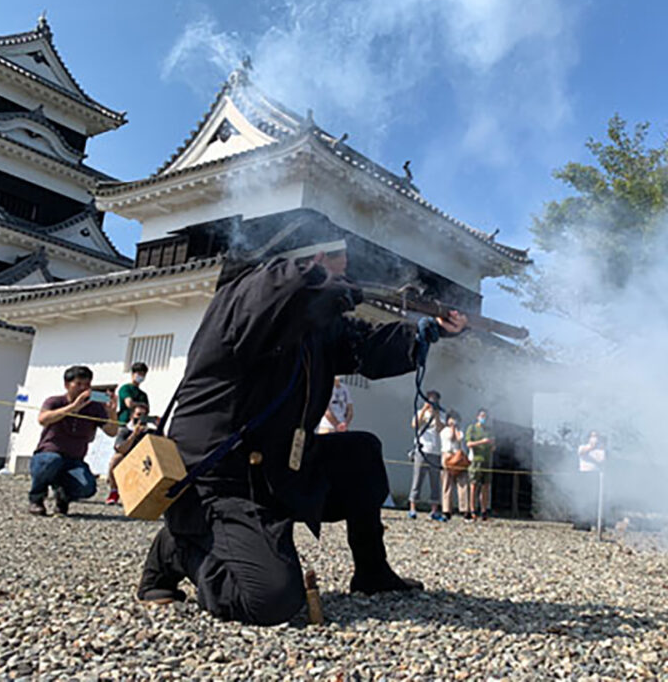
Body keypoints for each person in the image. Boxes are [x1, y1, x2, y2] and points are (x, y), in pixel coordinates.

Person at [136, 242, 467, 625]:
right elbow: (272, 293)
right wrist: (312, 276)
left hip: (278, 466)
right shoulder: (244, 297)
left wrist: (429, 331)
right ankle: (178, 548)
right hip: (221, 478)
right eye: (332, 266)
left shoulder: (315, 325)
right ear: (305, 261)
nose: (342, 276)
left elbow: (365, 347)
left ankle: (372, 572)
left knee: (360, 452)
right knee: (270, 599)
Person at [29, 366, 118, 516]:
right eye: (78, 384)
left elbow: (111, 432)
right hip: (48, 454)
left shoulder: (95, 407)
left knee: (87, 487)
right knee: (51, 461)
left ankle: (63, 497)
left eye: (87, 385)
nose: (83, 388)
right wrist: (73, 407)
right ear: (66, 385)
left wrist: (112, 413)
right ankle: (36, 498)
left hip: (74, 460)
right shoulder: (55, 401)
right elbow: (43, 419)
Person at [408, 390, 444, 521]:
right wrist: (424, 410)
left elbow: (440, 429)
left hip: (435, 451)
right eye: (430, 400)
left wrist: (436, 415)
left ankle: (434, 510)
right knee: (417, 480)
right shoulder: (420, 413)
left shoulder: (441, 415)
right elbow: (414, 425)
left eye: (435, 400)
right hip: (421, 450)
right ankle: (412, 508)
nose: (432, 402)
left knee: (435, 482)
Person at [105, 402, 150, 505]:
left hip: (143, 458)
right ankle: (114, 491)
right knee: (115, 459)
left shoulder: (149, 432)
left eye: (144, 416)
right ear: (132, 416)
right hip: (127, 457)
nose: (140, 418)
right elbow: (120, 449)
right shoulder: (124, 430)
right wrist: (134, 435)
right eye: (138, 415)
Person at [439, 412, 470, 521]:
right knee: (447, 484)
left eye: (455, 419)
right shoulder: (444, 431)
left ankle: (464, 509)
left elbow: (459, 438)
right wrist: (451, 428)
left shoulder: (461, 430)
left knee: (463, 484)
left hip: (459, 457)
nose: (453, 421)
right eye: (451, 419)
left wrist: (456, 428)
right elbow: (451, 438)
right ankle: (446, 510)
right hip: (448, 456)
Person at [465, 408, 495, 521]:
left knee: (486, 485)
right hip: (475, 460)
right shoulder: (472, 428)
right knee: (473, 485)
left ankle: (484, 510)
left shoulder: (489, 430)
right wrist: (482, 442)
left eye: (485, 416)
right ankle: (472, 509)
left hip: (487, 460)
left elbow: (493, 444)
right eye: (482, 416)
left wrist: (492, 445)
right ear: (477, 416)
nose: (484, 418)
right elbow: (469, 443)